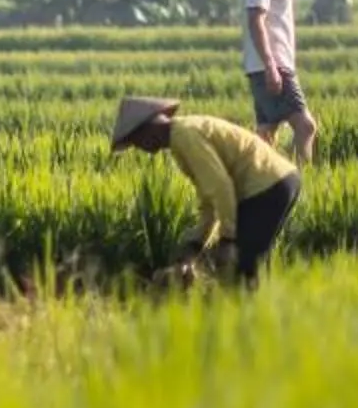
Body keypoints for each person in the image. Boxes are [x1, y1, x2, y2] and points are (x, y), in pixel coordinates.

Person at [109, 95, 301, 286]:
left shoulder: (185, 137)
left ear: (148, 131)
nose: (140, 148)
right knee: (251, 264)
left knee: (243, 267)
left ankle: (254, 311)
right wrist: (197, 241)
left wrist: (227, 237)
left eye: (137, 141)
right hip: (276, 182)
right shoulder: (180, 138)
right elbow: (208, 197)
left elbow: (220, 187)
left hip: (267, 187)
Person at [241, 0, 317, 164]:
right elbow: (256, 20)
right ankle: (301, 185)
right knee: (305, 127)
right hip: (273, 66)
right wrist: (272, 66)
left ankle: (261, 189)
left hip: (269, 66)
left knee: (266, 136)